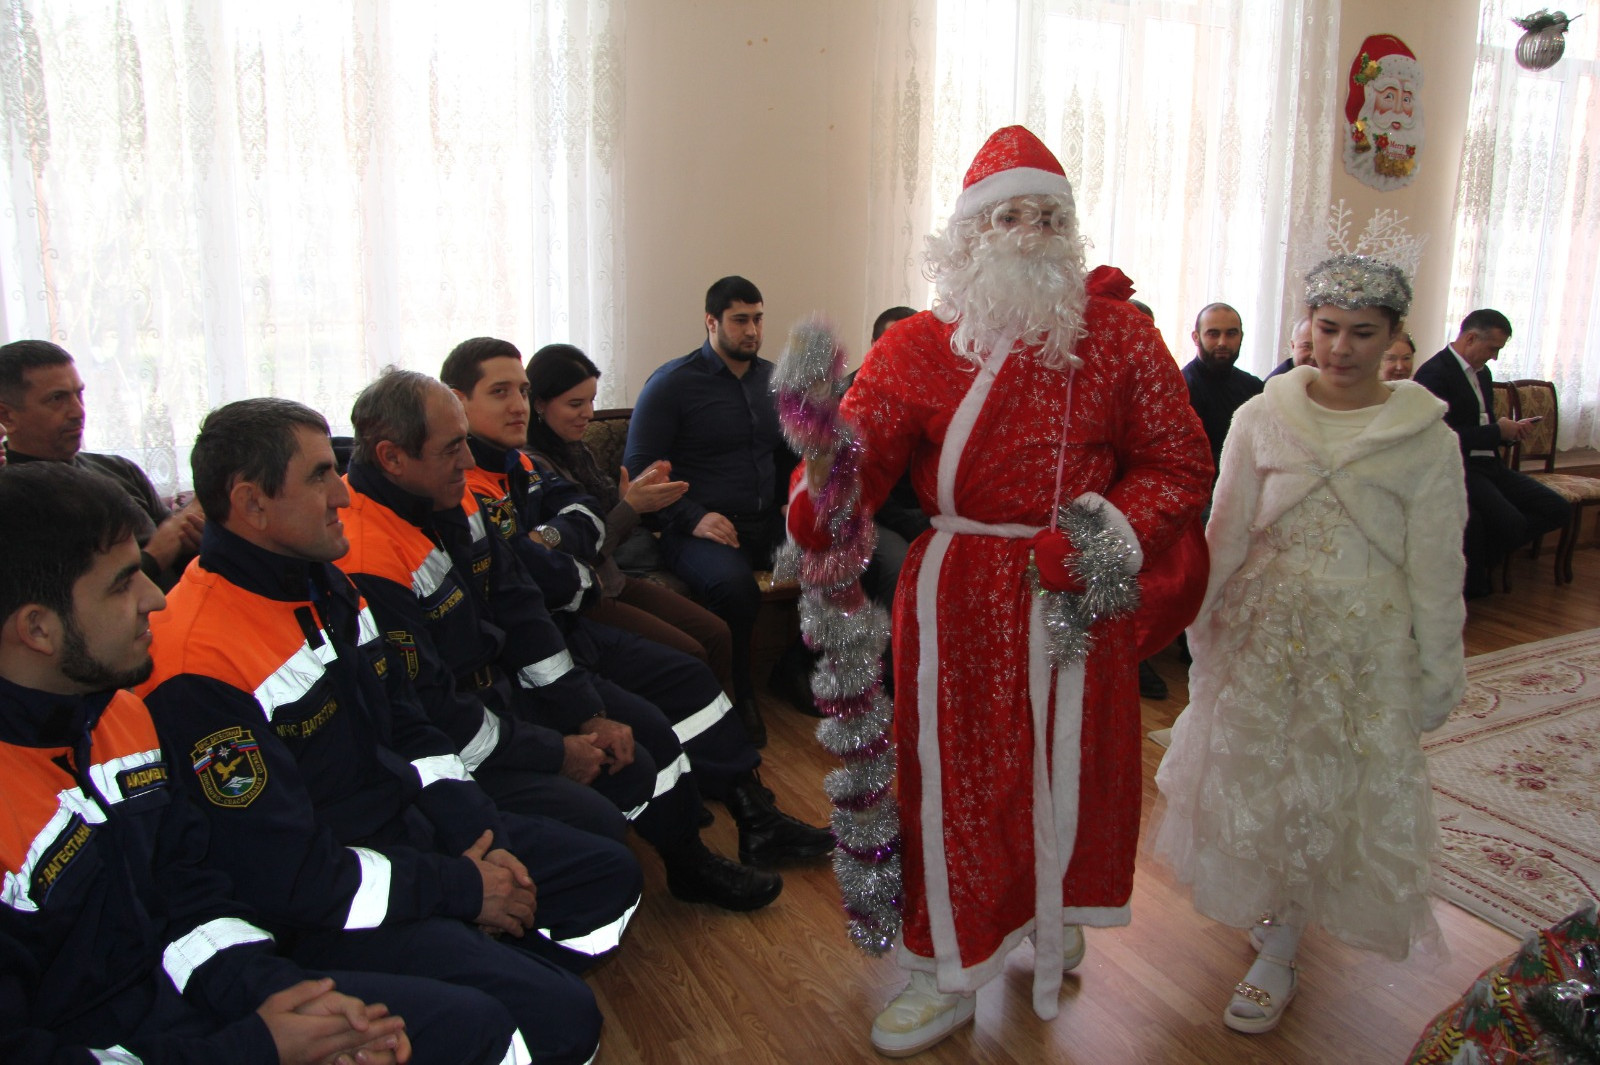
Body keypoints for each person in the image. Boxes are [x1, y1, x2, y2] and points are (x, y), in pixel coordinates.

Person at [790, 125, 1212, 1056]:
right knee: (953, 784)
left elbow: (1179, 460)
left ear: (1070, 232)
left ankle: (1042, 920)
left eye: (1046, 215)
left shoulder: (1121, 337)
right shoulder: (915, 345)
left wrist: (1102, 537)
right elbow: (858, 459)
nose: (1027, 231)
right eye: (1005, 215)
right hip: (961, 597)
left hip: (1074, 595)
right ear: (967, 237)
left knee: (1065, 774)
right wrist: (826, 490)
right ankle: (944, 968)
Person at [138, 397, 643, 1065]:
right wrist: (460, 888)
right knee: (561, 1022)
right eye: (320, 476)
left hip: (411, 837)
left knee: (610, 872)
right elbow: (291, 875)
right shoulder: (196, 662)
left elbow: (409, 722)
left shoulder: (320, 582)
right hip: (329, 905)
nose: (343, 494)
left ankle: (502, 957)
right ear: (252, 504)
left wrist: (473, 835)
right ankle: (494, 972)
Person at [0, 461, 527, 1065]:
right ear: (37, 629)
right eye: (123, 584)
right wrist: (257, 1046)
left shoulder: (117, 717)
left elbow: (188, 901)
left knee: (472, 1025)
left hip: (202, 1012)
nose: (154, 598)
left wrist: (282, 1000)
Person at [339, 369, 822, 912]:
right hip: (464, 734)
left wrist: (585, 712)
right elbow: (430, 707)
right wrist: (556, 748)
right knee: (609, 804)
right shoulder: (366, 558)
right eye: (453, 447)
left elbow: (519, 601)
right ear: (391, 458)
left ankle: (693, 859)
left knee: (649, 732)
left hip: (510, 686)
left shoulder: (446, 496)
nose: (469, 462)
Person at [1155, 255, 1468, 1035]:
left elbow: (1437, 564)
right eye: (1327, 328)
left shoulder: (1424, 438)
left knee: (1326, 788)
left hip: (1358, 644)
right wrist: (1205, 625)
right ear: (1306, 328)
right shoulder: (1263, 416)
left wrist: (1439, 665)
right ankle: (1276, 915)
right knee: (1261, 778)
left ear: (1395, 336)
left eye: (1364, 333)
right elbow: (1224, 531)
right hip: (1266, 630)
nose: (1342, 348)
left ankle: (1283, 947)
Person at [623, 277, 800, 720]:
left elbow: (785, 454)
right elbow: (641, 474)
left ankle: (794, 673)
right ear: (711, 321)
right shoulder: (672, 384)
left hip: (766, 521)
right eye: (740, 320)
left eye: (758, 319)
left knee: (843, 559)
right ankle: (739, 695)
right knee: (734, 589)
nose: (752, 331)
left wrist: (791, 497)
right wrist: (693, 517)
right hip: (698, 528)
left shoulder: (776, 380)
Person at [0, 340, 203, 589]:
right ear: (6, 416)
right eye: (57, 398)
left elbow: (178, 545)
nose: (78, 411)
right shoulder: (11, 500)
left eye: (79, 394)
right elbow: (68, 603)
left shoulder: (119, 469)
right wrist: (153, 557)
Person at [1412, 310, 1570, 597]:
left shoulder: (1483, 375)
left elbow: (1484, 423)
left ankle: (1482, 562)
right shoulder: (1434, 374)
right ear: (1471, 338)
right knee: (1510, 523)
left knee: (1556, 508)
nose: (1494, 357)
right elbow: (1439, 437)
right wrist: (1498, 432)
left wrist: (1508, 433)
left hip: (1491, 464)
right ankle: (1476, 573)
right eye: (1493, 348)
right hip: (1461, 467)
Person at [1183, 303, 1264, 475]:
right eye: (1213, 334)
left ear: (1241, 336)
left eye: (1231, 334)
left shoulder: (1254, 387)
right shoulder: (1181, 388)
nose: (1222, 342)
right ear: (1196, 338)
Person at [1265, 316, 1315, 380]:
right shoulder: (1276, 385)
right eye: (1307, 346)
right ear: (1293, 346)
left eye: (1320, 348)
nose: (1314, 356)